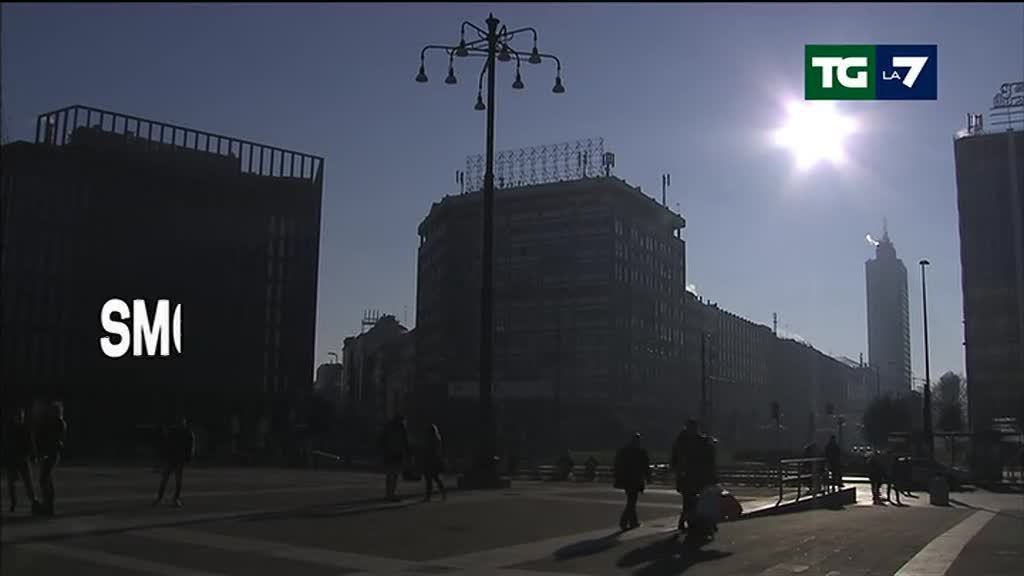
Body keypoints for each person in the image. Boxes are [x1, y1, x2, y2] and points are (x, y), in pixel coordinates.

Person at [672, 419, 716, 533]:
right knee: (691, 500)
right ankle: (689, 522)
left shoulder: (682, 440)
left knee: (690, 500)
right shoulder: (694, 440)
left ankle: (687, 521)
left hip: (691, 474)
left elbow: (675, 457)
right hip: (692, 474)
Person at [4, 407, 40, 513]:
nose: (20, 417)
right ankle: (16, 502)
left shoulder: (18, 428)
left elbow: (30, 443)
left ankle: (31, 501)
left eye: (21, 415)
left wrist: (33, 455)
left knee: (25, 482)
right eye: (19, 415)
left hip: (20, 458)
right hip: (14, 459)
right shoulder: (11, 428)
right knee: (14, 483)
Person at [153, 418, 195, 508]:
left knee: (169, 479)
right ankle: (171, 499)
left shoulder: (179, 432)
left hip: (175, 459)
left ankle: (164, 498)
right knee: (173, 479)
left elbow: (166, 442)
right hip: (175, 459)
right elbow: (190, 447)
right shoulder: (185, 433)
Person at [34, 402, 67, 516]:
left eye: (54, 410)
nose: (51, 412)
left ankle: (48, 505)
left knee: (44, 479)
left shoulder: (58, 423)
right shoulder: (55, 422)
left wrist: (46, 451)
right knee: (46, 479)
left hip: (52, 453)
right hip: (51, 453)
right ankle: (48, 505)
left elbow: (54, 439)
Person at [614, 433, 651, 531]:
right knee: (632, 502)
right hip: (635, 479)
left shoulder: (625, 451)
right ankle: (624, 521)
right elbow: (645, 466)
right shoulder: (640, 452)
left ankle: (633, 521)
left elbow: (618, 464)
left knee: (631, 500)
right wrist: (648, 477)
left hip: (627, 479)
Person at [379, 415, 410, 501]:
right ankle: (392, 493)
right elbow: (405, 442)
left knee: (389, 474)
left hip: (389, 453)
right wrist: (407, 453)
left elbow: (382, 439)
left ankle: (388, 493)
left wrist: (383, 449)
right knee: (395, 474)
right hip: (397, 453)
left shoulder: (388, 428)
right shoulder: (402, 429)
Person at [421, 424, 446, 502]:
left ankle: (429, 496)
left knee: (431, 479)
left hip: (431, 460)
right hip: (433, 460)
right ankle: (442, 493)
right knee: (434, 478)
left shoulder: (432, 439)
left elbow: (430, 450)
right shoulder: (436, 438)